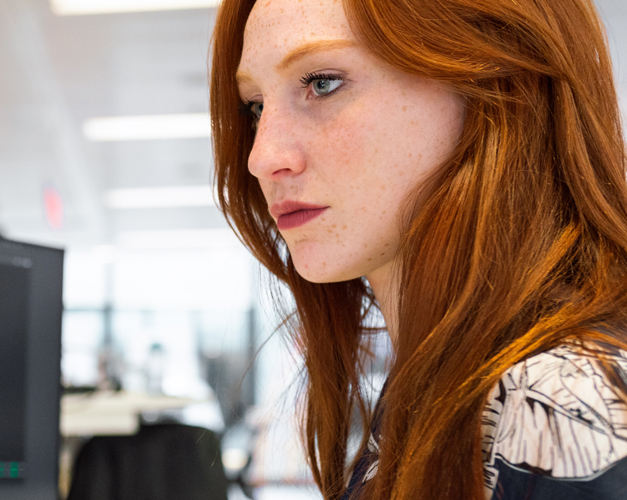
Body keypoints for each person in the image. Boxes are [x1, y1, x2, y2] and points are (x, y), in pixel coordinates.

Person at [209, 0, 627, 498]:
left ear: (494, 80)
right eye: (255, 106)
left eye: (322, 82)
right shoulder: (442, 384)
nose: (261, 158)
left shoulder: (564, 396)